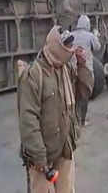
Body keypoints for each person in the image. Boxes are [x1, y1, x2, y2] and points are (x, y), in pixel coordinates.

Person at [17, 25, 89, 193]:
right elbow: (28, 120)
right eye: (66, 46)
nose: (70, 50)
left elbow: (84, 92)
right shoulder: (33, 75)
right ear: (56, 45)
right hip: (42, 158)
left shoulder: (66, 69)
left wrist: (82, 64)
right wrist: (40, 160)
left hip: (65, 149)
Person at [71, 15, 101, 127]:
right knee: (85, 96)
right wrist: (96, 36)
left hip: (72, 69)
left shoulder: (71, 34)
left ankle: (74, 119)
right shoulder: (90, 36)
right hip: (86, 69)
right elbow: (98, 48)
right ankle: (82, 121)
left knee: (74, 95)